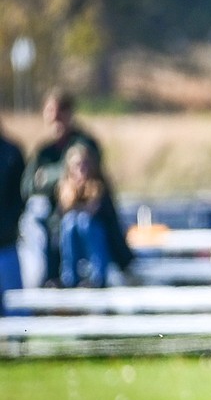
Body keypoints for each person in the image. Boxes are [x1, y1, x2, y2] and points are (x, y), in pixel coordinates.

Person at [21, 88, 133, 285]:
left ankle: (98, 277)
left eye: (59, 112)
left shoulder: (85, 141)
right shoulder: (44, 151)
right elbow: (28, 185)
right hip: (56, 213)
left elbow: (87, 172)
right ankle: (52, 277)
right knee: (41, 217)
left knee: (80, 223)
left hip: (90, 212)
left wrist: (47, 176)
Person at [55, 142, 113, 288]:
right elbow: (65, 209)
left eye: (84, 164)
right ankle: (69, 277)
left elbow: (93, 209)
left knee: (84, 222)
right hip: (74, 237)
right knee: (69, 223)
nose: (81, 169)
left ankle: (97, 277)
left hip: (94, 235)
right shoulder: (65, 186)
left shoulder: (97, 185)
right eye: (77, 165)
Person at [0, 119, 25, 312]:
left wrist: (9, 226)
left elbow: (21, 197)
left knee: (16, 310)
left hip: (6, 244)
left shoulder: (12, 153)